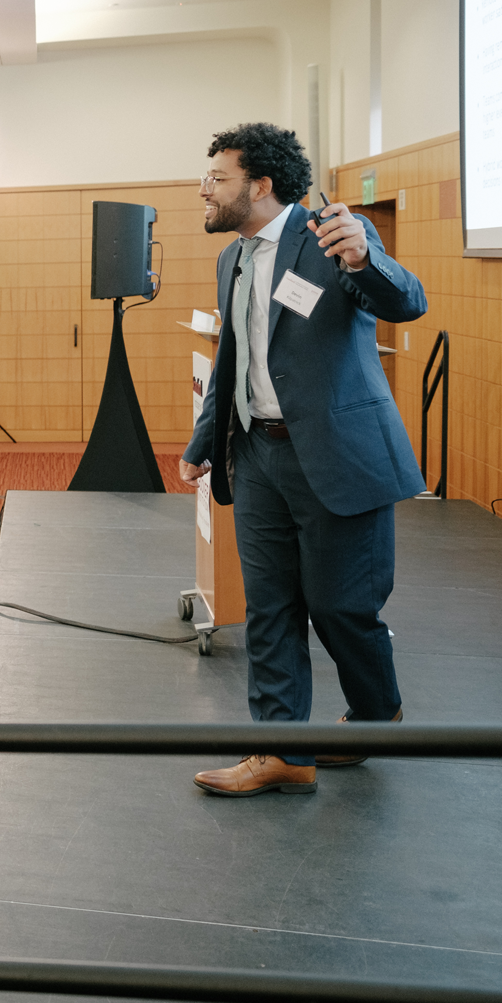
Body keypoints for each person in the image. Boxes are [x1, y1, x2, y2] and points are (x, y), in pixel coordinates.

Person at [182, 122, 427, 798]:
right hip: (258, 455)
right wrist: (205, 443)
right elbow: (233, 360)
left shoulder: (332, 234)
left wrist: (363, 261)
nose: (204, 189)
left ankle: (377, 713)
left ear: (260, 186)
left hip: (337, 456)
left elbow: (406, 300)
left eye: (219, 179)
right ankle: (281, 749)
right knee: (270, 605)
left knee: (340, 607)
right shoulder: (233, 258)